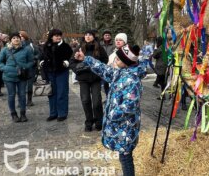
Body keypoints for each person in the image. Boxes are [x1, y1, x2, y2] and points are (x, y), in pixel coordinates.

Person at [74, 44, 145, 176]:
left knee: (125, 157)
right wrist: (86, 59)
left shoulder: (132, 80)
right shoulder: (121, 73)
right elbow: (103, 69)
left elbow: (130, 105)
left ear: (126, 62)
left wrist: (112, 115)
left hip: (126, 127)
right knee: (123, 154)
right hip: (120, 126)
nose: (114, 61)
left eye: (117, 59)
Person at [70, 30, 108, 131]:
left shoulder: (99, 48)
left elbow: (105, 60)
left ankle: (99, 121)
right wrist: (77, 68)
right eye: (86, 35)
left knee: (96, 101)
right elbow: (71, 62)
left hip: (95, 78)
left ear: (93, 37)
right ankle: (89, 121)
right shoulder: (79, 48)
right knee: (85, 100)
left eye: (90, 35)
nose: (87, 36)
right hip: (83, 78)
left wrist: (99, 68)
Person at [0, 32, 34, 122]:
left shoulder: (26, 49)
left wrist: (25, 66)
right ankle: (13, 114)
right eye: (13, 38)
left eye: (17, 37)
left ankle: (23, 114)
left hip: (22, 76)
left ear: (20, 39)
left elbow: (31, 61)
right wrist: (5, 68)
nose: (16, 39)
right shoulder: (5, 50)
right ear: (10, 40)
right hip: (9, 76)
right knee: (11, 95)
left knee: (22, 95)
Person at [40, 29, 73, 122]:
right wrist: (42, 61)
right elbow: (42, 55)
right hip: (50, 72)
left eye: (59, 35)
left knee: (61, 92)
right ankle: (53, 113)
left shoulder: (65, 46)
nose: (58, 37)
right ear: (51, 37)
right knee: (51, 93)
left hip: (61, 71)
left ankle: (62, 113)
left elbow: (71, 56)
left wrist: (67, 62)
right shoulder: (46, 46)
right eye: (56, 35)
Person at [19, 30, 40, 106]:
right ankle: (21, 101)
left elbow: (38, 54)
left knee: (30, 85)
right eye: (19, 36)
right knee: (21, 85)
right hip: (21, 68)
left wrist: (34, 59)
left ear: (24, 37)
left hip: (31, 68)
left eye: (21, 36)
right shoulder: (17, 45)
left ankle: (29, 100)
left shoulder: (32, 45)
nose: (20, 38)